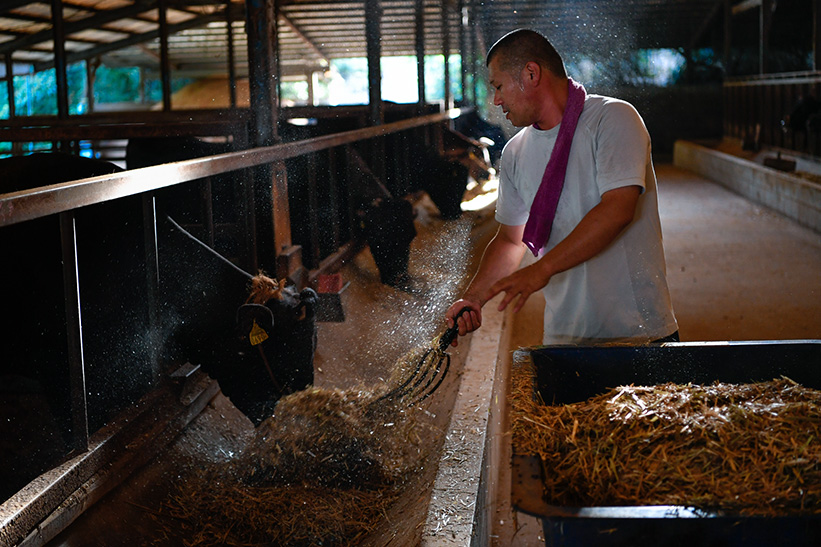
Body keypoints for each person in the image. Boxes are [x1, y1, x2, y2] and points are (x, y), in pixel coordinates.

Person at [445, 28, 678, 346]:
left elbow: (618, 209)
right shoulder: (515, 153)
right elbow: (511, 241)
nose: (496, 100)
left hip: (637, 332)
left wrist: (542, 269)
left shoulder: (612, 119)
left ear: (530, 73)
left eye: (499, 86)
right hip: (564, 338)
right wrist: (473, 298)